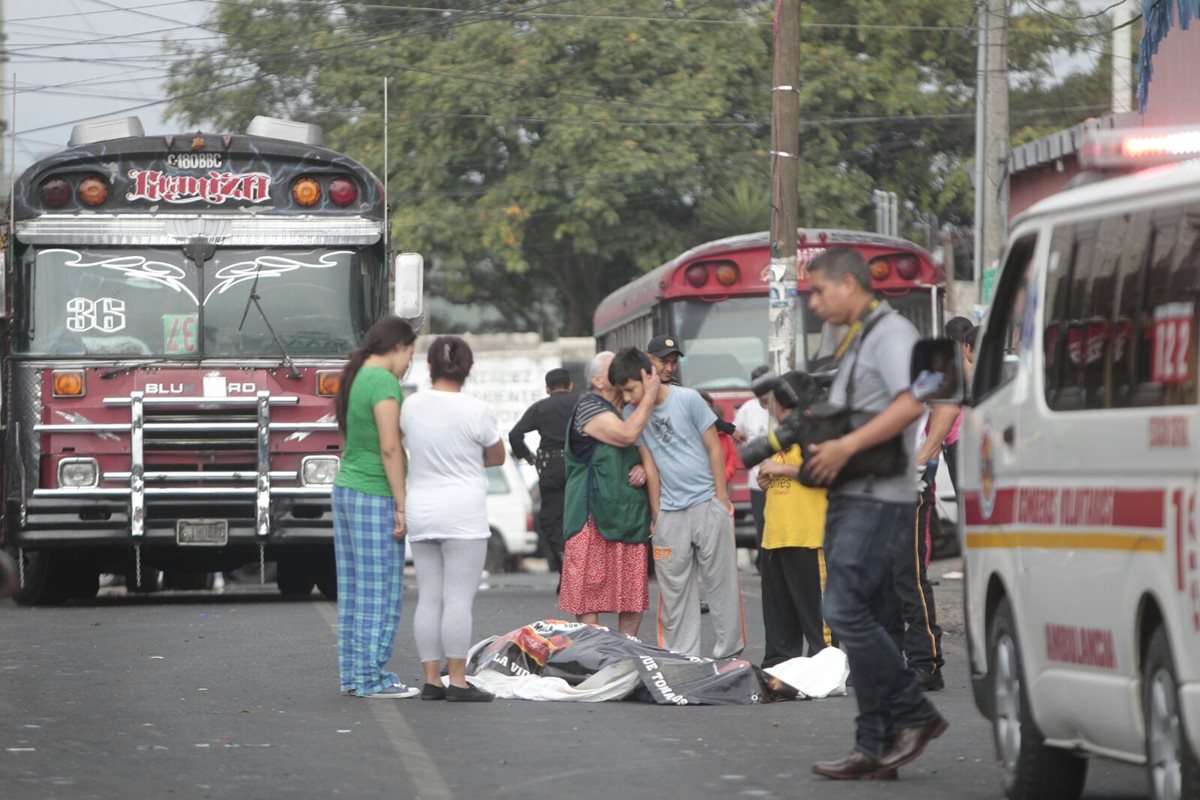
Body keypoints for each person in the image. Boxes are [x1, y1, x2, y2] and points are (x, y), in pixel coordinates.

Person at [803, 248, 947, 780]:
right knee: (858, 614)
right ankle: (875, 743)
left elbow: (918, 399)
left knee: (843, 611)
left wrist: (846, 447)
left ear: (848, 283)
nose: (814, 303)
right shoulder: (858, 335)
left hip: (879, 496)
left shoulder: (890, 333)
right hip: (852, 493)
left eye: (819, 291)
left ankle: (915, 711)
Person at [611, 348, 746, 659]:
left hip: (707, 503)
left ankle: (729, 656)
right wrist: (657, 515)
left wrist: (722, 499)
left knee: (721, 583)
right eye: (623, 393)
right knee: (674, 591)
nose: (628, 398)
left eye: (630, 389)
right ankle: (681, 658)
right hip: (670, 514)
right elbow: (651, 465)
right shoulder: (632, 415)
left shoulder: (688, 399)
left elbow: (715, 449)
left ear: (647, 376)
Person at [402, 336, 505, 703]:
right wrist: (464, 459)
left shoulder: (410, 405)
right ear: (468, 368)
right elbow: (497, 457)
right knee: (458, 600)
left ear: (429, 367)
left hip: (422, 509)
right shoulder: (476, 409)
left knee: (429, 597)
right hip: (463, 511)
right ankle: (458, 681)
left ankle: (432, 680)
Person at [331, 316, 420, 699]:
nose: (409, 364)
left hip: (347, 490)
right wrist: (401, 504)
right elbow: (389, 447)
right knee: (379, 590)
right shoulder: (384, 382)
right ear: (399, 346)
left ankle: (354, 674)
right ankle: (371, 678)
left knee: (353, 589)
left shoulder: (355, 375)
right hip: (373, 492)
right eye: (411, 355)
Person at [559, 352, 661, 636]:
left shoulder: (629, 409)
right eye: (611, 369)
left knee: (630, 595)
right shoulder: (590, 408)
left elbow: (643, 448)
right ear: (597, 380)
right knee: (589, 593)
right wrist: (650, 395)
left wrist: (642, 465)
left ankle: (626, 657)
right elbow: (627, 435)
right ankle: (592, 657)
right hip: (590, 515)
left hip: (628, 514)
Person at [756, 371, 831, 668]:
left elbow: (826, 474)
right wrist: (767, 476)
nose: (773, 407)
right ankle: (780, 666)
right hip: (776, 534)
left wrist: (781, 470)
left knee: (819, 627)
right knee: (779, 621)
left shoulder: (818, 430)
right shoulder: (781, 432)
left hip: (807, 536)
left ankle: (825, 666)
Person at [508, 367, 577, 574]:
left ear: (548, 389)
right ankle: (579, 564)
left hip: (551, 469)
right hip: (578, 467)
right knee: (580, 516)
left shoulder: (540, 408)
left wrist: (528, 457)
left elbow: (514, 435)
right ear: (571, 386)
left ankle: (564, 561)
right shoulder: (581, 403)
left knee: (552, 519)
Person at [647, 334, 738, 438]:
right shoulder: (638, 386)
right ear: (649, 359)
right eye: (663, 361)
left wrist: (731, 430)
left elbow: (702, 416)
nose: (669, 368)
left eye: (674, 362)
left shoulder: (675, 387)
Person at [734, 365, 771, 571]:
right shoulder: (747, 409)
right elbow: (736, 435)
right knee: (762, 525)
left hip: (782, 480)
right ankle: (764, 564)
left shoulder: (782, 405)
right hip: (757, 482)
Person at [699, 391, 738, 484]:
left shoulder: (722, 433)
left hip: (722, 484)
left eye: (707, 407)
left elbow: (732, 458)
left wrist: (723, 477)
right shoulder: (688, 434)